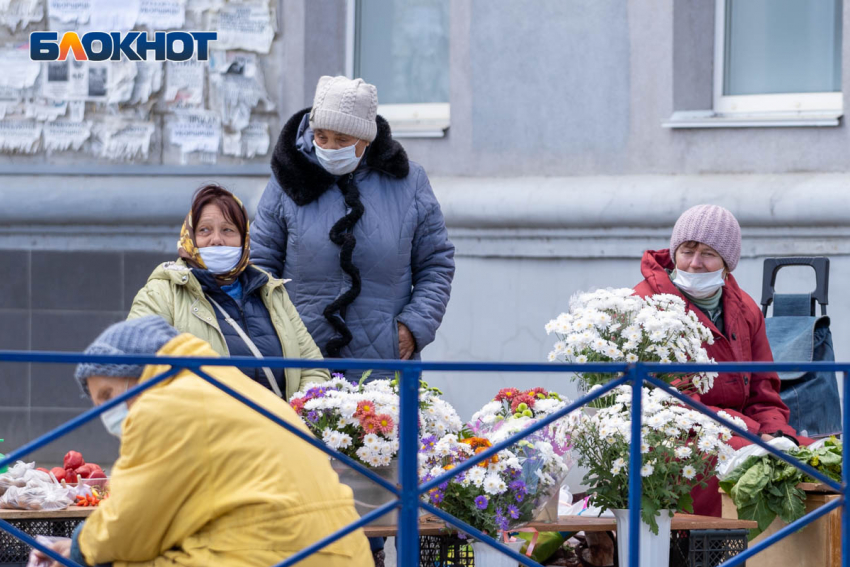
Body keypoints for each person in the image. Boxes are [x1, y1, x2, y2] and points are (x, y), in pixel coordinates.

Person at [32, 316, 371, 567]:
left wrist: (76, 550)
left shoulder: (163, 405)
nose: (106, 413)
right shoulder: (230, 385)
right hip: (337, 552)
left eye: (107, 395)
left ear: (138, 372)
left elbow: (130, 524)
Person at [251, 75, 455, 379]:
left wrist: (413, 327)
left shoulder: (409, 183)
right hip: (301, 362)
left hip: (384, 366)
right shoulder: (288, 181)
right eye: (321, 136)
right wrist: (275, 336)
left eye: (342, 140)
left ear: (366, 139)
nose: (330, 147)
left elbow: (436, 265)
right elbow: (259, 266)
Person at [633, 204, 812, 516]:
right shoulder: (646, 305)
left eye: (709, 254)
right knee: (754, 464)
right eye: (687, 251)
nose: (695, 263)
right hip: (682, 436)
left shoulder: (745, 309)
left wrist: (776, 431)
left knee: (816, 459)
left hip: (745, 431)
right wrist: (756, 435)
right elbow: (675, 402)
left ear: (727, 264)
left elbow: (764, 391)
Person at [128, 184, 329, 400]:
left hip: (276, 430)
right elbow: (135, 367)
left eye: (228, 230)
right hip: (207, 431)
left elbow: (313, 369)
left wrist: (300, 413)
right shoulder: (161, 293)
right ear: (190, 237)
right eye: (205, 230)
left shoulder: (271, 292)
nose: (216, 239)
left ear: (244, 240)